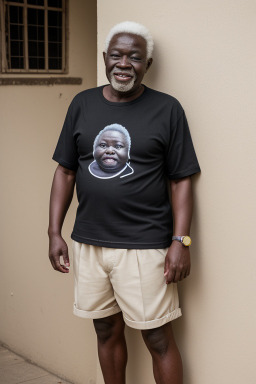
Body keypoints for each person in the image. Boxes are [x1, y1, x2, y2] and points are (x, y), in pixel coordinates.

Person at [48, 21, 200, 384]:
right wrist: (54, 231)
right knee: (105, 331)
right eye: (116, 55)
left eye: (134, 57)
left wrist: (181, 241)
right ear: (105, 58)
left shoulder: (167, 109)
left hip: (146, 246)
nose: (123, 63)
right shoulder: (82, 103)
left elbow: (181, 180)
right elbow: (65, 171)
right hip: (89, 242)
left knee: (158, 338)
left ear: (147, 65)